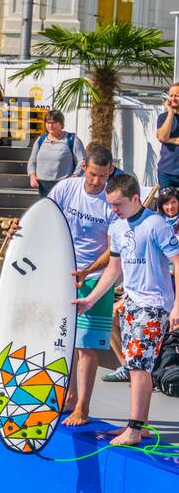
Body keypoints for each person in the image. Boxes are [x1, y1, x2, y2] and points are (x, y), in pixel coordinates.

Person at [74, 172, 179, 446]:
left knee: (138, 365)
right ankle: (140, 426)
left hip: (154, 304)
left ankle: (134, 429)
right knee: (133, 364)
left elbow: (178, 263)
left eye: (118, 204)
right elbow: (114, 269)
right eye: (110, 204)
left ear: (135, 198)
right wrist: (91, 299)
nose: (114, 210)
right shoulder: (117, 228)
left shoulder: (155, 224)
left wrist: (178, 305)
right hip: (132, 302)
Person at [47, 145, 115, 424]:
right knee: (64, 340)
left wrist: (87, 270)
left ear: (110, 171)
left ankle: (82, 408)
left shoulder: (112, 200)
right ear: (84, 166)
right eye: (92, 174)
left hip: (95, 278)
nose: (97, 181)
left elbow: (114, 249)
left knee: (86, 347)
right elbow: (45, 217)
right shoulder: (67, 188)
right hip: (63, 273)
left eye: (102, 176)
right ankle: (69, 396)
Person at [27, 110, 85, 197]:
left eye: (53, 123)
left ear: (61, 124)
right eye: (48, 122)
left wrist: (74, 177)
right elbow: (32, 161)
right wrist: (32, 175)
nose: (50, 126)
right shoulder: (40, 140)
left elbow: (82, 161)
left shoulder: (72, 139)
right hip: (42, 187)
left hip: (63, 186)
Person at [155, 83, 179, 189]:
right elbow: (162, 137)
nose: (173, 98)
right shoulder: (163, 117)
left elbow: (164, 139)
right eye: (171, 95)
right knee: (165, 204)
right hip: (166, 172)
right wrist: (170, 113)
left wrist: (168, 140)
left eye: (177, 95)